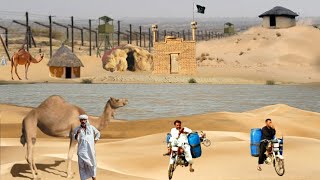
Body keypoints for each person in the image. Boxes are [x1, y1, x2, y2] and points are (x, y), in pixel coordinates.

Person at [74, 114, 100, 180]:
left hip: (90, 151)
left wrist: (94, 142)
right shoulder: (77, 129)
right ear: (80, 121)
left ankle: (94, 178)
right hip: (81, 151)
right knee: (82, 166)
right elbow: (75, 138)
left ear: (86, 120)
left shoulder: (91, 128)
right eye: (81, 120)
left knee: (92, 164)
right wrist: (77, 133)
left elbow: (98, 133)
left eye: (84, 120)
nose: (83, 121)